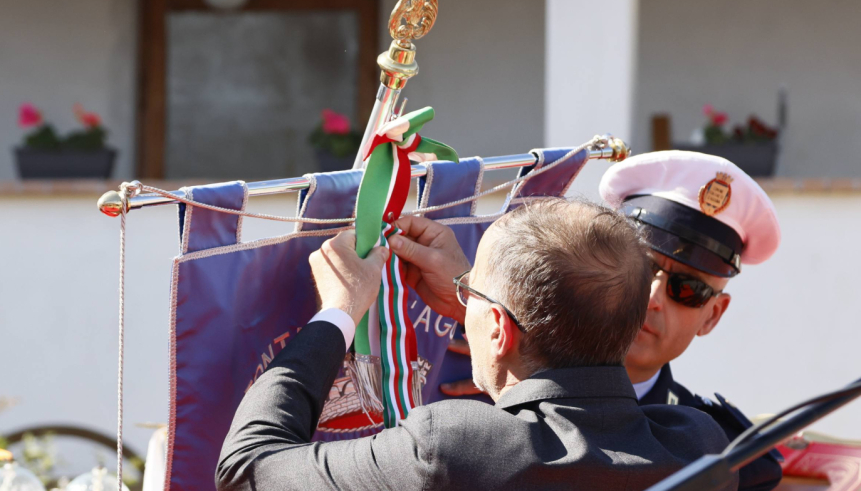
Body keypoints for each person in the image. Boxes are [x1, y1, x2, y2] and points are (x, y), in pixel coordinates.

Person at [216, 199, 735, 491]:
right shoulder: (701, 446)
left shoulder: (453, 449)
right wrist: (486, 304)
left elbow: (247, 469)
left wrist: (339, 311)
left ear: (499, 330)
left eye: (471, 292)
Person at [439, 151, 783, 490]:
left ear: (713, 316)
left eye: (687, 289)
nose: (652, 298)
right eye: (642, 270)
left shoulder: (731, 461)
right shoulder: (469, 358)